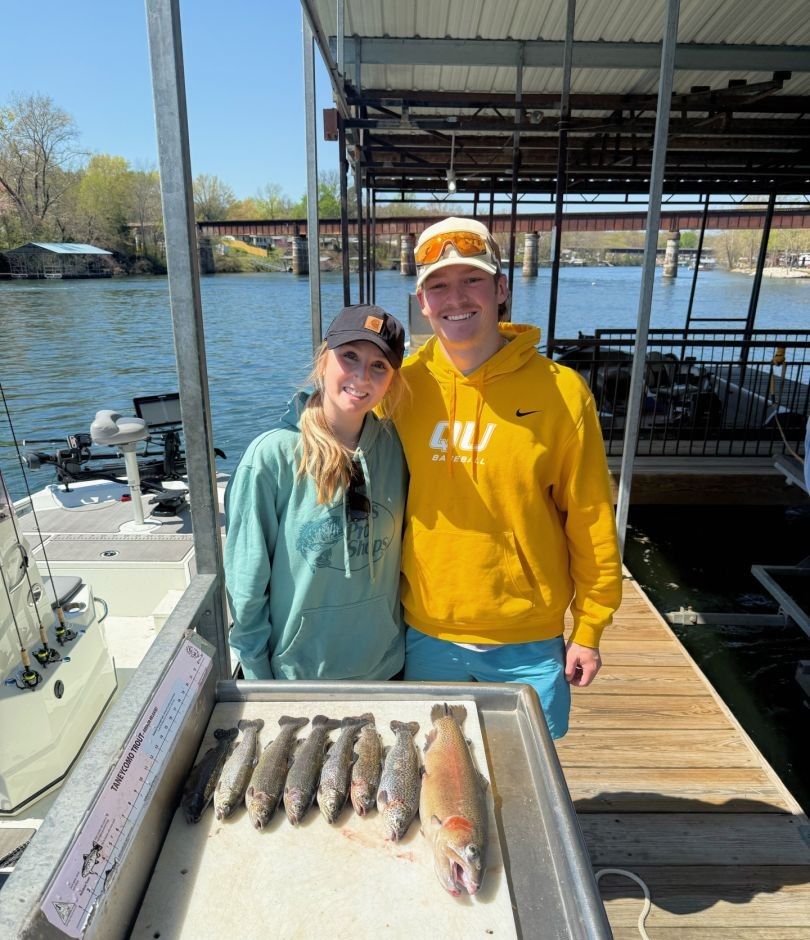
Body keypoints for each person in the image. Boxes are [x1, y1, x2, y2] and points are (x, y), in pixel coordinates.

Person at [390, 217, 622, 738]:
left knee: (525, 773)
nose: (456, 298)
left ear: (501, 289)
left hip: (528, 639)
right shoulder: (401, 387)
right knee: (434, 770)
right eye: (438, 286)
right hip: (427, 630)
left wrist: (589, 626)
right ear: (422, 302)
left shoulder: (562, 392)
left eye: (472, 279)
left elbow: (589, 517)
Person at [224, 304, 408, 681]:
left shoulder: (397, 449)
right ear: (323, 360)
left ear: (392, 381)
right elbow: (246, 584)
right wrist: (259, 680)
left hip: (385, 671)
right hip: (297, 678)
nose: (361, 376)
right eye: (349, 356)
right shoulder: (271, 456)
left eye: (379, 365)